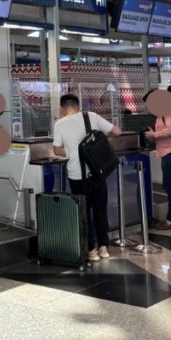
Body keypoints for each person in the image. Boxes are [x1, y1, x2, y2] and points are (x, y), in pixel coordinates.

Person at [52, 94, 122, 262]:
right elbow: (117, 131)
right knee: (100, 210)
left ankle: (91, 250)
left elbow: (56, 150)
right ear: (78, 106)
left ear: (62, 108)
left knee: (84, 212)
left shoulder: (59, 124)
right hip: (96, 173)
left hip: (77, 175)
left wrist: (71, 152)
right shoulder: (91, 116)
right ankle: (104, 247)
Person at [143, 91, 171, 230]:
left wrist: (153, 134)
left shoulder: (168, 111)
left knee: (170, 187)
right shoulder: (166, 111)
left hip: (170, 153)